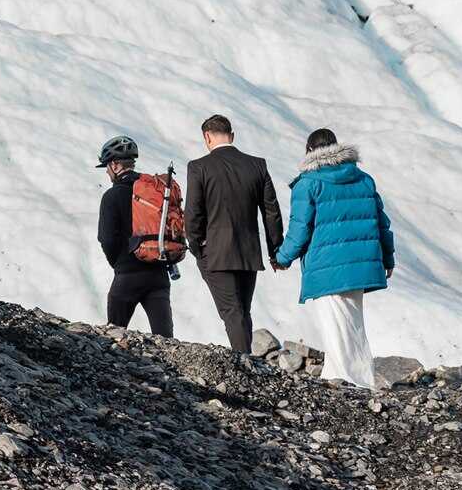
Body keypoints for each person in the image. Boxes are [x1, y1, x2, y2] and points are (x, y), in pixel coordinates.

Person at [273, 129, 393, 389]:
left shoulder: (308, 183)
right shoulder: (363, 179)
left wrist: (283, 258)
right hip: (361, 265)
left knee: (335, 325)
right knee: (353, 324)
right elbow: (381, 222)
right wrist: (388, 258)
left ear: (309, 152)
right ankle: (358, 376)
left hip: (326, 267)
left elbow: (300, 229)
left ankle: (343, 379)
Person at [184, 113, 284, 354]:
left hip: (215, 252)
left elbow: (193, 213)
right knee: (242, 311)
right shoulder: (257, 165)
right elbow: (271, 211)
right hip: (248, 252)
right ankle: (248, 361)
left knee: (232, 311)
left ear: (207, 137)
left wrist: (197, 247)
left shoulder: (199, 167)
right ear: (232, 136)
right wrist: (276, 251)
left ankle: (245, 364)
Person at [95, 135, 175, 336]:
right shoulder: (154, 192)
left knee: (113, 338)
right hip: (158, 274)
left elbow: (107, 238)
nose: (106, 171)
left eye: (106, 166)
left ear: (115, 165)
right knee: (167, 341)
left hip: (127, 276)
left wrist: (119, 263)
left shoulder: (112, 196)